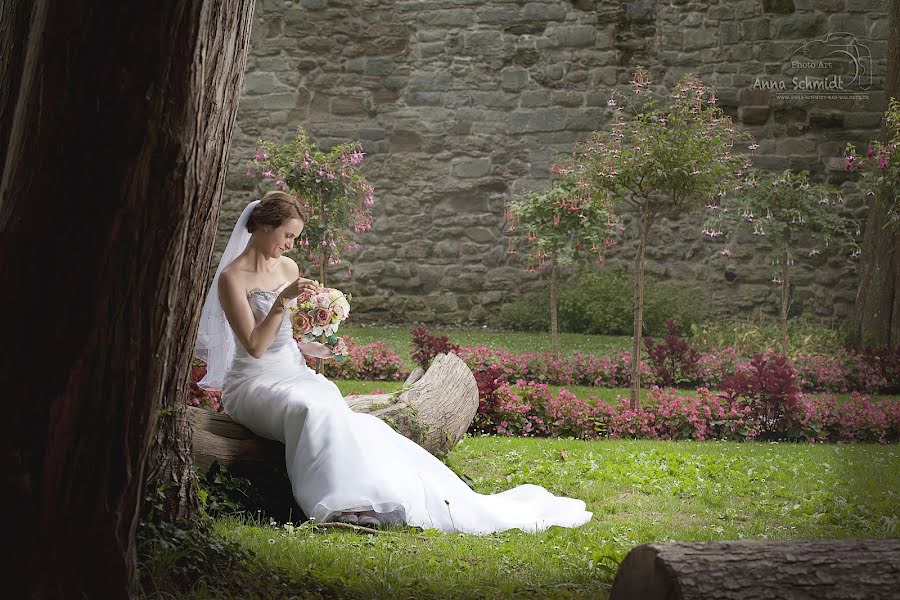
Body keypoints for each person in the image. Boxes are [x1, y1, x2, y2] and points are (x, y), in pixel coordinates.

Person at [196, 191, 593, 533]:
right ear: (264, 226)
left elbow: (290, 336)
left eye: (295, 239)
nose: (290, 247)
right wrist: (283, 300)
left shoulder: (287, 268)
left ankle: (376, 499)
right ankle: (336, 507)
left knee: (343, 411)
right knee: (310, 407)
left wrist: (318, 347)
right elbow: (254, 346)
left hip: (293, 373)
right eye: (287, 236)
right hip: (252, 385)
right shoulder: (234, 278)